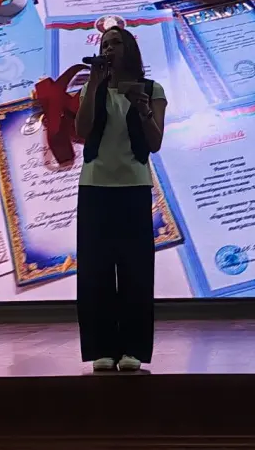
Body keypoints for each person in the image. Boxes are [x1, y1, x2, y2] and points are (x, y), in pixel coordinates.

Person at [74, 26, 167, 372]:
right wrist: (94, 83)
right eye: (104, 44)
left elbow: (155, 143)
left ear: (130, 49)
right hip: (95, 185)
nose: (109, 49)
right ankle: (102, 348)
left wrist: (143, 109)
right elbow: (82, 131)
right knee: (95, 270)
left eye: (115, 43)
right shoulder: (91, 87)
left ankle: (132, 349)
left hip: (133, 186)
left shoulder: (152, 89)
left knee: (135, 270)